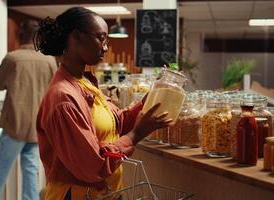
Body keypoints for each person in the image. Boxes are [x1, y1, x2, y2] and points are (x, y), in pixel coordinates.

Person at [34, 7, 172, 200]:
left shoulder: (86, 82)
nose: (106, 47)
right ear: (76, 37)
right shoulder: (63, 98)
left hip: (106, 192)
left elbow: (116, 123)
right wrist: (136, 134)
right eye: (101, 38)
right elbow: (92, 166)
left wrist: (153, 94)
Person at [0, 19, 57, 200]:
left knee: (2, 169)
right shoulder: (49, 60)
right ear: (38, 38)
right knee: (31, 171)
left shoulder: (13, 58)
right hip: (36, 126)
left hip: (14, 125)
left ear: (20, 36)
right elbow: (54, 90)